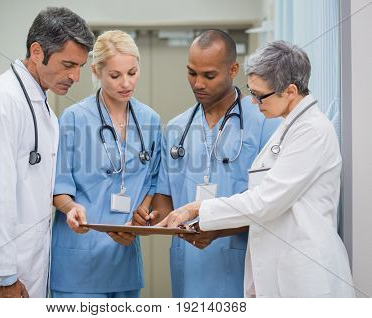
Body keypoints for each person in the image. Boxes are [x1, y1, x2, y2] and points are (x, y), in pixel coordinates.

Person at [159, 41, 355, 298]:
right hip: (278, 271)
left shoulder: (312, 131)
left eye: (260, 95)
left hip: (306, 275)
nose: (252, 102)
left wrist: (196, 208)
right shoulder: (288, 127)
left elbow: (264, 201)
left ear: (290, 90)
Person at [0, 7, 94, 298]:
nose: (75, 76)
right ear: (37, 52)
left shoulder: (43, 109)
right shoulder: (1, 101)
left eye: (80, 67)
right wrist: (3, 277)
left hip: (27, 266)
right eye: (68, 64)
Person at [132, 29, 280, 297]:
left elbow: (269, 202)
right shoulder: (177, 129)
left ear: (233, 69)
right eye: (191, 73)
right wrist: (158, 219)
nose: (198, 83)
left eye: (209, 75)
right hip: (189, 265)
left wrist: (216, 229)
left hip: (239, 261)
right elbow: (165, 195)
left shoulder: (264, 123)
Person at [50, 30, 162, 298]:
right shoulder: (74, 118)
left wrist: (141, 216)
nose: (126, 83)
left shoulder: (150, 120)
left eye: (132, 72)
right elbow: (58, 187)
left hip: (123, 261)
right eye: (115, 75)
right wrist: (72, 207)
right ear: (96, 71)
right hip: (78, 261)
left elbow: (155, 182)